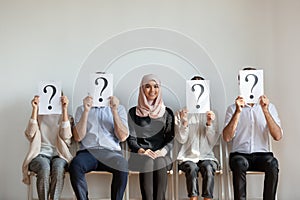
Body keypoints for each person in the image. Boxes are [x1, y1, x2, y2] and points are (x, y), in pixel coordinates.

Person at [223, 67, 283, 200]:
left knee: (273, 164)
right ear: (240, 84)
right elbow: (227, 137)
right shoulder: (232, 109)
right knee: (239, 163)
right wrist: (238, 112)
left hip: (263, 155)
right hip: (240, 155)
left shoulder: (270, 107)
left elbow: (277, 136)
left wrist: (265, 110)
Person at [69, 95, 129, 200]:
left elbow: (123, 137)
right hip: (88, 153)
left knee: (122, 164)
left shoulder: (119, 108)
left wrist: (114, 111)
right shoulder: (81, 109)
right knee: (75, 165)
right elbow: (78, 137)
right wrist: (86, 111)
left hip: (111, 153)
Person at [127, 74, 174, 200]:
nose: (152, 90)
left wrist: (161, 152)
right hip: (140, 156)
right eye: (147, 86)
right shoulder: (133, 112)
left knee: (159, 162)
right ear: (142, 89)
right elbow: (131, 139)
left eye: (156, 86)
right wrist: (143, 151)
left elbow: (171, 138)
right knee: (148, 161)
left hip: (162, 156)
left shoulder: (167, 112)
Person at [175, 76, 220, 200]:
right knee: (192, 168)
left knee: (209, 168)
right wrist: (184, 123)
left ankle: (207, 198)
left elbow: (213, 141)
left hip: (207, 156)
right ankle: (193, 198)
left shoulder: (212, 113)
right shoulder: (181, 113)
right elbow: (181, 139)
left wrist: (209, 123)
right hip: (187, 156)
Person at [22, 95, 73, 200]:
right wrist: (35, 109)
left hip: (59, 155)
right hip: (39, 154)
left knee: (58, 168)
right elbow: (30, 134)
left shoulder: (66, 116)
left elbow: (67, 137)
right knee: (44, 168)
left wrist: (64, 110)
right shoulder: (38, 115)